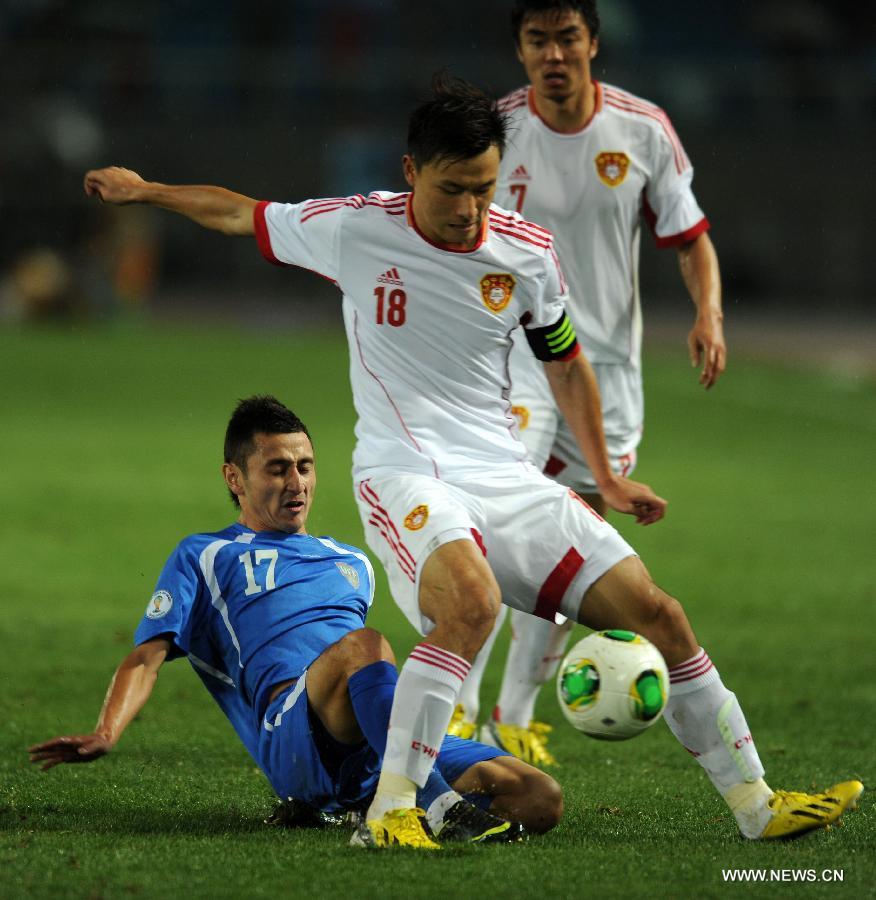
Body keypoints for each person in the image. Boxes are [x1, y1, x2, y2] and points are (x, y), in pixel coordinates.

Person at [76, 76, 861, 842]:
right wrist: (147, 191)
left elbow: (564, 361)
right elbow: (241, 213)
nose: (470, 210)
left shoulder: (525, 253)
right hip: (404, 472)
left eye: (485, 188)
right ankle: (390, 814)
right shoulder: (356, 227)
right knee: (473, 607)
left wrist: (607, 473)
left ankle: (757, 805)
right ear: (412, 173)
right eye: (453, 188)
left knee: (662, 616)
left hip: (504, 475)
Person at [28, 395, 564, 850]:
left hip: (371, 731)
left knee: (539, 799)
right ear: (234, 477)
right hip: (292, 734)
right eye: (277, 468)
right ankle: (429, 803)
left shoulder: (352, 562)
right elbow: (147, 654)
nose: (296, 482)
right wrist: (106, 730)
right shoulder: (206, 555)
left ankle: (371, 803)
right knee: (365, 644)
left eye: (305, 466)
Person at [449, 0, 727, 766]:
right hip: (514, 363)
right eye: (537, 40)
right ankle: (458, 713)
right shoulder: (496, 133)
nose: (554, 54)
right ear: (520, 52)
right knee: (493, 531)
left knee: (577, 545)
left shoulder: (642, 130)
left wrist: (708, 314)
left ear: (592, 43)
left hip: (606, 373)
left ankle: (513, 713)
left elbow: (691, 239)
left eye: (567, 37)